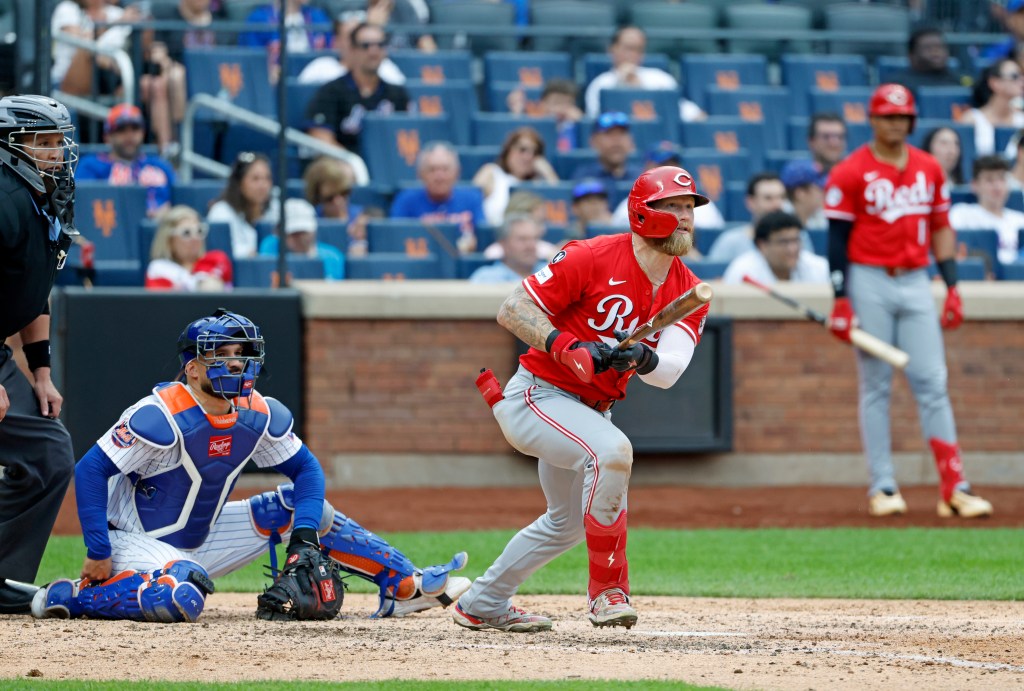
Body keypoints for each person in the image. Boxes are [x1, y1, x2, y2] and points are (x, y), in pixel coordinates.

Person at [30, 309, 471, 622]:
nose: (235, 362)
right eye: (221, 353)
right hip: (134, 541)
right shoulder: (158, 415)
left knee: (310, 509)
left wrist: (302, 538)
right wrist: (98, 551)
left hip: (202, 540)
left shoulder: (257, 412)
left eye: (241, 353)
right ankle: (72, 595)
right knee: (182, 593)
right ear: (192, 368)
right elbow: (90, 471)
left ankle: (406, 587)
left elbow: (308, 472)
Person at [452, 166, 711, 633]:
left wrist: (642, 360)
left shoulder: (688, 290)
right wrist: (563, 344)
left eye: (689, 208)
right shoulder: (591, 256)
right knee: (612, 452)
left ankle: (483, 601)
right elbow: (512, 308)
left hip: (590, 411)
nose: (685, 217)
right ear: (642, 213)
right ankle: (608, 592)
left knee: (566, 524)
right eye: (672, 206)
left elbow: (669, 372)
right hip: (536, 395)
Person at [823, 83, 993, 519]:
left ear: (911, 121)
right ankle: (883, 485)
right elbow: (837, 239)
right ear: (873, 119)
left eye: (902, 117)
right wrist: (841, 297)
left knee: (933, 382)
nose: (896, 123)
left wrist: (952, 285)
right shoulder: (850, 169)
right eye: (888, 116)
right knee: (876, 384)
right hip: (868, 277)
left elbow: (941, 226)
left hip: (917, 278)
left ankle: (955, 485)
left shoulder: (929, 167)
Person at [0, 95, 79, 613]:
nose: (55, 153)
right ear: (10, 146)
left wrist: (42, 371)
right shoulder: (4, 200)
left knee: (49, 456)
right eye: (42, 143)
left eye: (57, 142)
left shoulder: (44, 198)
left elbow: (33, 289)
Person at [305, 22, 410, 155]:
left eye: (380, 45)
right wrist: (353, 164)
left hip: (388, 164)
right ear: (352, 50)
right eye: (366, 46)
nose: (373, 51)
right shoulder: (331, 91)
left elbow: (410, 134)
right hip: (344, 166)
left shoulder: (398, 93)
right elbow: (320, 136)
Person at [149, 0, 229, 156]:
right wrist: (167, 63)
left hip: (213, 82)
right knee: (173, 77)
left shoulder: (222, 25)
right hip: (176, 80)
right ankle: (175, 146)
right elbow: (157, 52)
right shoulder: (168, 19)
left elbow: (227, 60)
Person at [583, 26, 705, 123]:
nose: (633, 54)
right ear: (611, 49)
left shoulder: (660, 78)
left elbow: (682, 109)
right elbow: (597, 123)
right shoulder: (600, 84)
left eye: (639, 50)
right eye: (628, 48)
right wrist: (623, 84)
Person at [75, 104, 176, 219]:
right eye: (121, 130)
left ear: (143, 133)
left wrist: (171, 211)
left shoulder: (160, 165)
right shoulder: (91, 166)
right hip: (115, 229)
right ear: (107, 136)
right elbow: (83, 206)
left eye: (135, 128)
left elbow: (182, 198)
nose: (129, 135)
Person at [610, 141, 726, 236]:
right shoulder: (629, 206)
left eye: (673, 164)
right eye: (663, 165)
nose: (670, 170)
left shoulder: (704, 208)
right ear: (646, 168)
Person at [389, 141, 486, 253]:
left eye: (445, 169)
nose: (439, 176)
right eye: (432, 170)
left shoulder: (472, 198)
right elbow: (395, 240)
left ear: (457, 173)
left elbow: (483, 238)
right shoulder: (406, 200)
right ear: (420, 174)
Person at [50, 0, 139, 98]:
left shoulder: (116, 13)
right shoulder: (68, 8)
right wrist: (116, 23)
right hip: (64, 81)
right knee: (89, 51)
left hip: (107, 76)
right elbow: (81, 40)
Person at [473, 126, 559, 227]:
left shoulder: (538, 184)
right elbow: (471, 203)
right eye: (522, 150)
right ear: (509, 150)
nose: (528, 157)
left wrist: (548, 173)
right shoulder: (491, 173)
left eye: (534, 153)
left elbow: (559, 210)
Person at [949, 154, 1024, 265]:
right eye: (989, 180)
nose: (997, 186)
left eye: (1001, 179)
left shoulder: (1020, 220)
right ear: (975, 185)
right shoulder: (961, 214)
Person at [297, 13, 406, 86]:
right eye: (351, 37)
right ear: (337, 41)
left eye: (363, 40)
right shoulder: (320, 68)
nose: (356, 44)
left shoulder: (385, 67)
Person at [722, 211, 829, 285]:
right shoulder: (742, 271)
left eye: (796, 240)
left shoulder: (819, 268)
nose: (792, 249)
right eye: (784, 242)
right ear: (762, 245)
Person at [207, 152, 280, 259]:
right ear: (239, 182)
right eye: (255, 179)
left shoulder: (276, 208)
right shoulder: (221, 212)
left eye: (267, 178)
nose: (263, 185)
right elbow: (221, 254)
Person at [705, 172, 790, 264]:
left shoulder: (797, 239)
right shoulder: (730, 242)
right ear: (750, 202)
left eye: (781, 197)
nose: (777, 205)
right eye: (768, 198)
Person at [145, 205, 233, 291]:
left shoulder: (216, 259)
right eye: (186, 233)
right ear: (169, 240)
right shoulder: (159, 268)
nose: (195, 238)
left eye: (199, 231)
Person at [239, 0, 332, 81]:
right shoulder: (257, 19)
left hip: (315, 81)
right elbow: (251, 64)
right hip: (275, 86)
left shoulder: (318, 16)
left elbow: (332, 57)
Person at [259, 198, 346, 279]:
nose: (300, 238)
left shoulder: (333, 256)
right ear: (278, 232)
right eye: (293, 233)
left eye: (304, 232)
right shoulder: (270, 246)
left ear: (314, 230)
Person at [303, 156, 369, 256]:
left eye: (343, 193)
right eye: (330, 197)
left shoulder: (363, 217)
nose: (338, 201)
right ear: (317, 197)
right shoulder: (310, 223)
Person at [957, 58, 1024, 157]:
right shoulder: (971, 119)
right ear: (994, 82)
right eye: (1015, 76)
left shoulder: (1021, 119)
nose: (1022, 82)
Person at [507, 78, 584, 153]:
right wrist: (516, 115)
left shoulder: (577, 126)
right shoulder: (531, 124)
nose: (561, 109)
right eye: (556, 103)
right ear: (543, 103)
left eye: (568, 104)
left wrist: (583, 123)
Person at [887, 25, 973, 91]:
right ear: (911, 55)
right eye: (928, 48)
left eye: (940, 47)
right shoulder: (897, 86)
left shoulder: (961, 81)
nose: (936, 52)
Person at [571, 112, 644, 189]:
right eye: (609, 134)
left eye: (622, 134)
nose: (616, 140)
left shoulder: (641, 179)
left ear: (631, 141)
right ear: (593, 141)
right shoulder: (583, 178)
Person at [469, 214, 548, 283]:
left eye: (535, 239)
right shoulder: (485, 278)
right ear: (503, 244)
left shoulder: (551, 273)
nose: (531, 246)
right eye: (522, 239)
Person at [780, 159, 827, 231]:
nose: (824, 193)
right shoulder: (778, 220)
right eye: (820, 188)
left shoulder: (820, 215)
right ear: (800, 193)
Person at [806, 113, 848, 183]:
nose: (834, 143)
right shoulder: (799, 175)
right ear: (811, 141)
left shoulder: (855, 173)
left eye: (840, 137)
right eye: (826, 137)